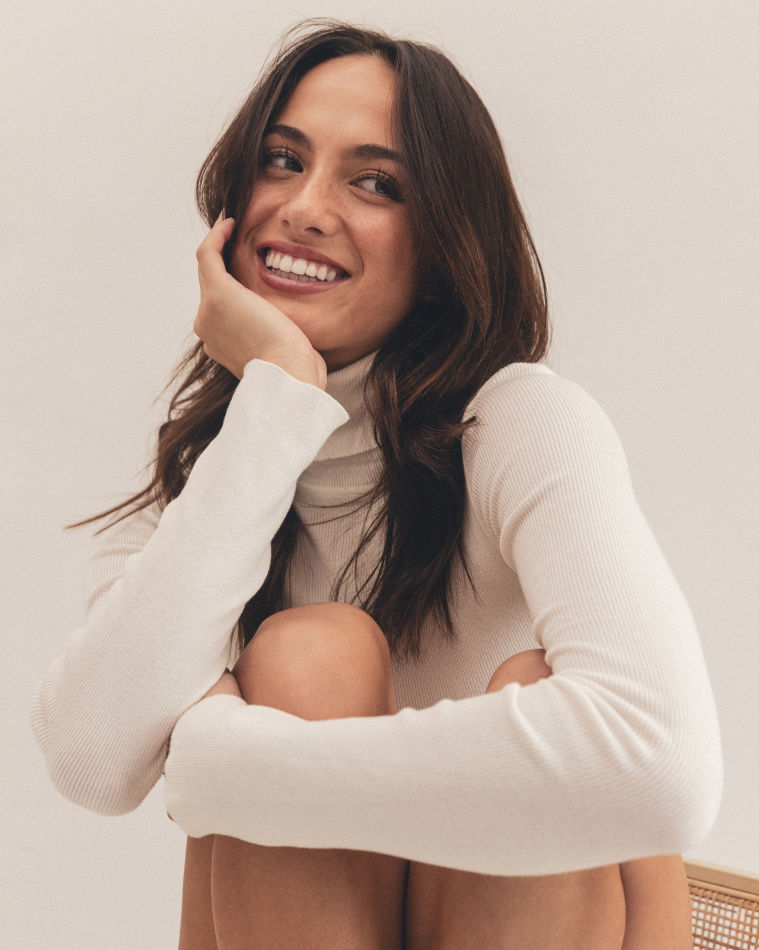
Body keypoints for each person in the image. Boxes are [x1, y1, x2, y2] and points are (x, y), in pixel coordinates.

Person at [32, 20, 722, 950]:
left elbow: (662, 771)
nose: (304, 207)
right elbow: (91, 761)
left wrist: (234, 767)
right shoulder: (216, 474)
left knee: (532, 684)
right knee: (309, 657)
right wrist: (278, 401)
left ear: (442, 247)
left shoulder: (518, 422)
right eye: (281, 161)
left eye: (375, 183)